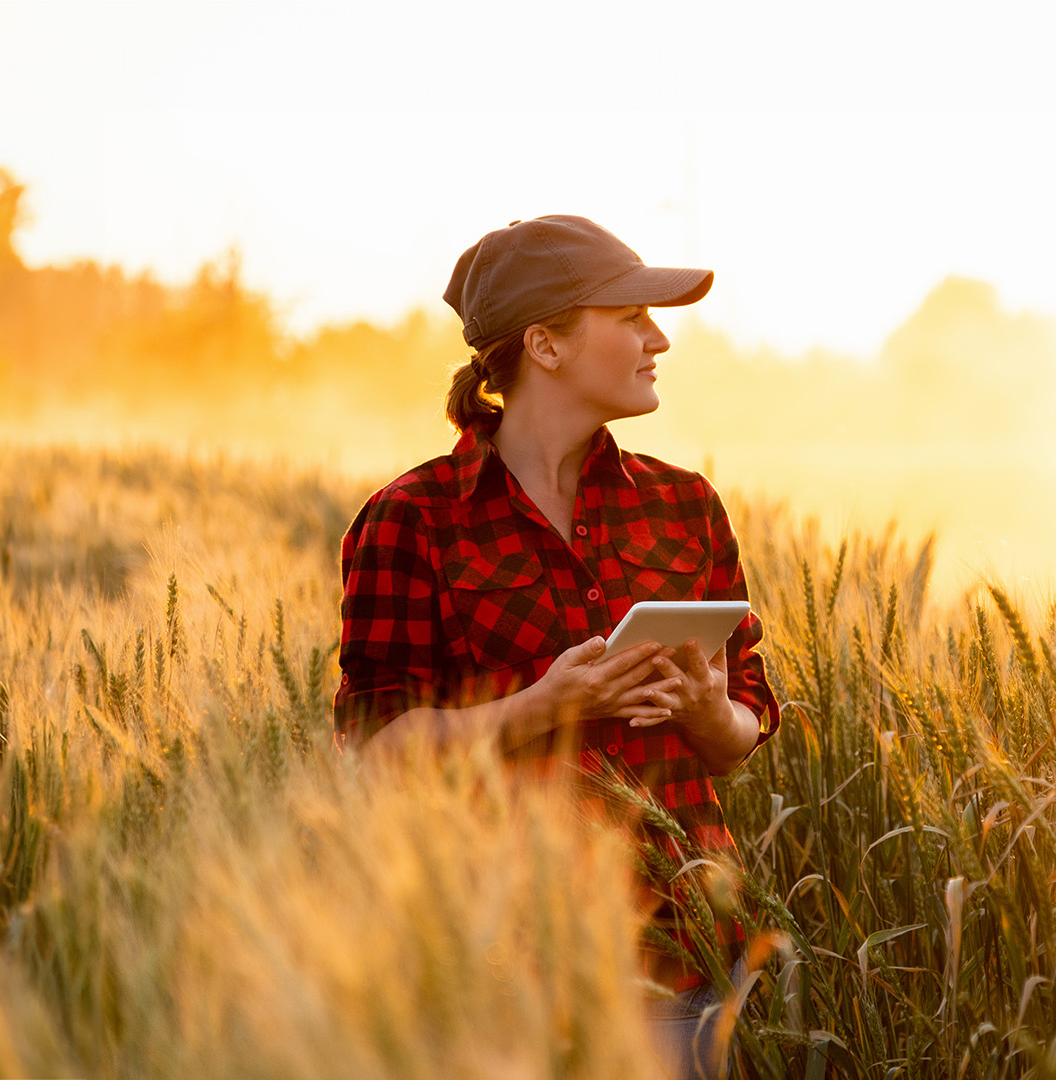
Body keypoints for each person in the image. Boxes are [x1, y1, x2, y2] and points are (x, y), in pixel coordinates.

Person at [332, 215, 779, 1080]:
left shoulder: (686, 507)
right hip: (500, 962)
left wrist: (704, 713)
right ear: (545, 344)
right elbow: (375, 750)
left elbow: (742, 731)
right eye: (633, 317)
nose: (661, 338)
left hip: (679, 953)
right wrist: (545, 707)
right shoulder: (413, 520)